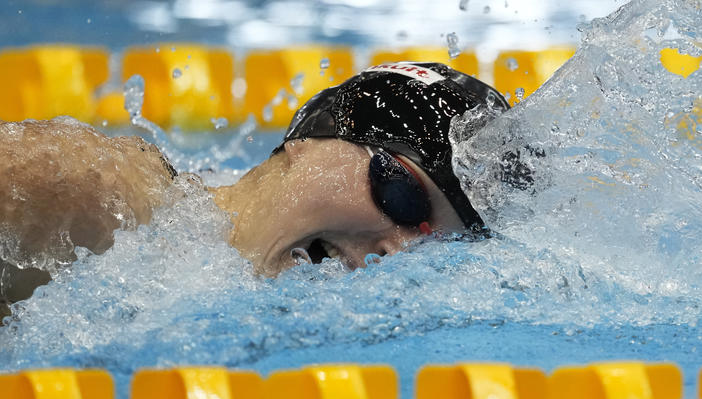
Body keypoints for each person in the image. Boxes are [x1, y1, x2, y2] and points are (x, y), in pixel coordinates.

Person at [0, 62, 509, 314]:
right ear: (309, 140)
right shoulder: (94, 192)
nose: (392, 253)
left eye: (432, 247)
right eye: (403, 196)